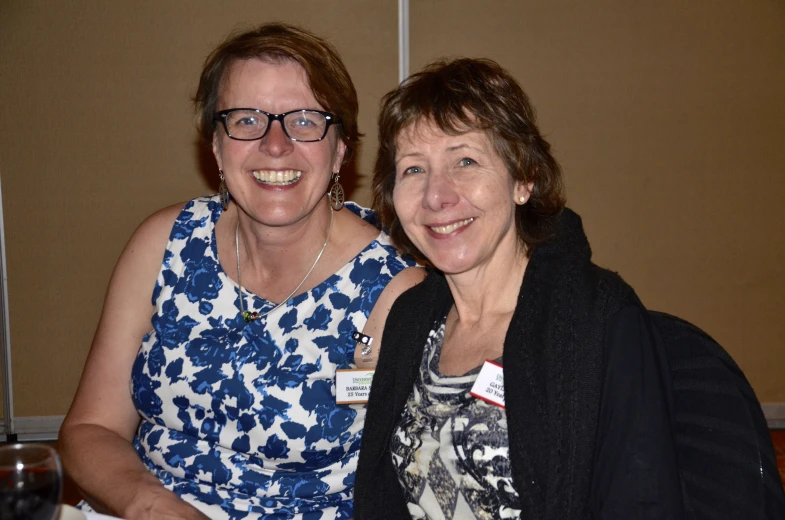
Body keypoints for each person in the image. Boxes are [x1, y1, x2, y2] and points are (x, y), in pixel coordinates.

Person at [59, 23, 424, 520]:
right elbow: (91, 430)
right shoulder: (164, 243)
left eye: (304, 120)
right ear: (215, 145)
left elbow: (414, 484)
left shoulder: (393, 287)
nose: (275, 144)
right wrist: (152, 506)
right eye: (247, 119)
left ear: (341, 150)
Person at [355, 58, 685, 519]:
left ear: (523, 180)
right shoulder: (412, 319)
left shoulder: (597, 319)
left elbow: (643, 502)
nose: (436, 196)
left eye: (465, 161)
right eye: (413, 169)